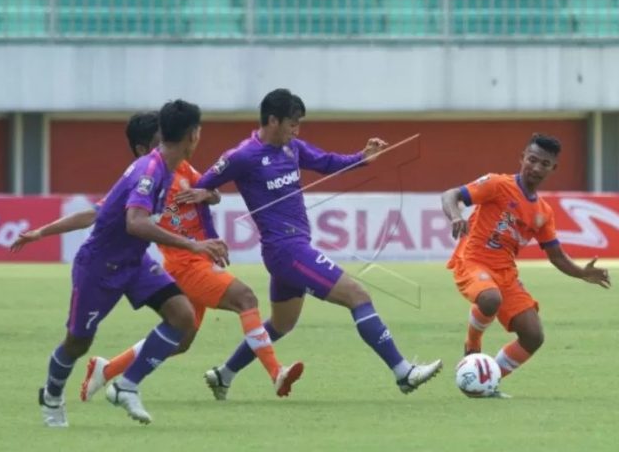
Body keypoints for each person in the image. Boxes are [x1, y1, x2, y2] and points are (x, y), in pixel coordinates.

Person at [13, 112, 302, 411]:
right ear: (146, 147)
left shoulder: (177, 168)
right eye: (159, 141)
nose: (166, 145)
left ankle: (110, 371)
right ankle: (273, 373)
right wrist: (44, 232)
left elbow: (210, 191)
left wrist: (205, 194)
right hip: (166, 262)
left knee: (182, 334)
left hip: (159, 259)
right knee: (244, 298)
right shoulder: (146, 173)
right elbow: (120, 219)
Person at [184, 88, 442, 400]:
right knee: (358, 295)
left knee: (282, 324)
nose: (297, 130)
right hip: (286, 250)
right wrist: (209, 223)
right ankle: (403, 372)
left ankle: (223, 374)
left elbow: (326, 162)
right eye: (292, 124)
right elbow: (199, 191)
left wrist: (362, 158)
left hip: (288, 251)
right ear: (273, 120)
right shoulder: (241, 157)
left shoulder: (292, 148)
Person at [33, 99, 230, 427]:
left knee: (182, 316)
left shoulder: (165, 166)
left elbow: (101, 210)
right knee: (78, 342)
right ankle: (51, 395)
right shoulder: (150, 171)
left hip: (135, 261)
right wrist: (195, 245)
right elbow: (135, 223)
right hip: (99, 267)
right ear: (193, 135)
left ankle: (127, 384)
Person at [440, 133, 611, 397]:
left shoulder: (543, 213)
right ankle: (472, 347)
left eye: (544, 163)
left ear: (553, 168)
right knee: (489, 299)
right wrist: (455, 216)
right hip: (473, 262)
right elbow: (451, 195)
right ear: (522, 158)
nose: (536, 167)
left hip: (505, 273)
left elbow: (556, 256)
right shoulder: (497, 184)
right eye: (532, 160)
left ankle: (487, 380)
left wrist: (581, 273)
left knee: (533, 336)